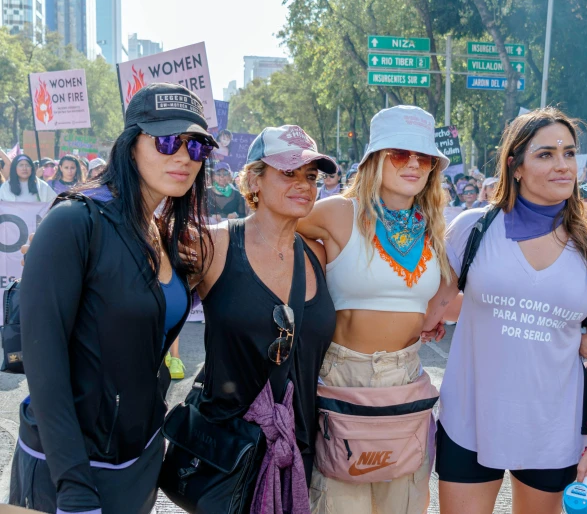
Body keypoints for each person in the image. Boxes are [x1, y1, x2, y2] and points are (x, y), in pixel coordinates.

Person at [8, 82, 215, 513]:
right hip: (68, 470)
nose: (182, 156)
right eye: (166, 140)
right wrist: (74, 486)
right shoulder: (73, 222)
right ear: (130, 145)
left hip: (138, 462)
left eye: (195, 146)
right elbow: (44, 365)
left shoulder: (163, 235)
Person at [422, 108, 587, 514]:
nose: (563, 165)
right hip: (468, 423)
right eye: (546, 154)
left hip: (553, 431)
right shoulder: (473, 228)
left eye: (569, 153)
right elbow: (434, 310)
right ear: (514, 166)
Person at [298, 105, 449, 514]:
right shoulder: (337, 212)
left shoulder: (433, 224)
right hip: (343, 374)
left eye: (425, 157)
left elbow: (450, 291)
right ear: (375, 159)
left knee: (403, 504)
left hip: (406, 375)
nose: (415, 164)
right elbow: (268, 234)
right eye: (401, 154)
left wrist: (433, 315)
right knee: (339, 505)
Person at [184, 124, 337, 503]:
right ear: (253, 181)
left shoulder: (318, 255)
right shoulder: (214, 245)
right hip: (229, 454)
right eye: (288, 173)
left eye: (311, 176)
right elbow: (150, 309)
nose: (304, 184)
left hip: (300, 453)